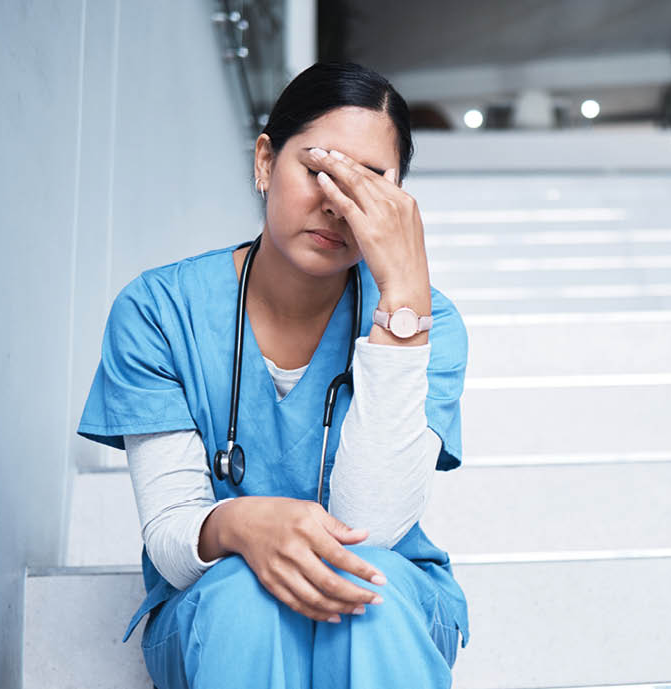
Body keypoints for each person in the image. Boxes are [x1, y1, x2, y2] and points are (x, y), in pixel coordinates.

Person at [76, 61, 470, 689]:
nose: (337, 202)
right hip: (219, 607)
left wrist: (401, 302)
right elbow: (175, 542)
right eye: (319, 168)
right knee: (243, 592)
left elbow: (371, 521)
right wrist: (241, 525)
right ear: (265, 161)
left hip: (384, 607)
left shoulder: (426, 321)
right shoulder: (159, 311)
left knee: (371, 586)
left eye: (366, 181)